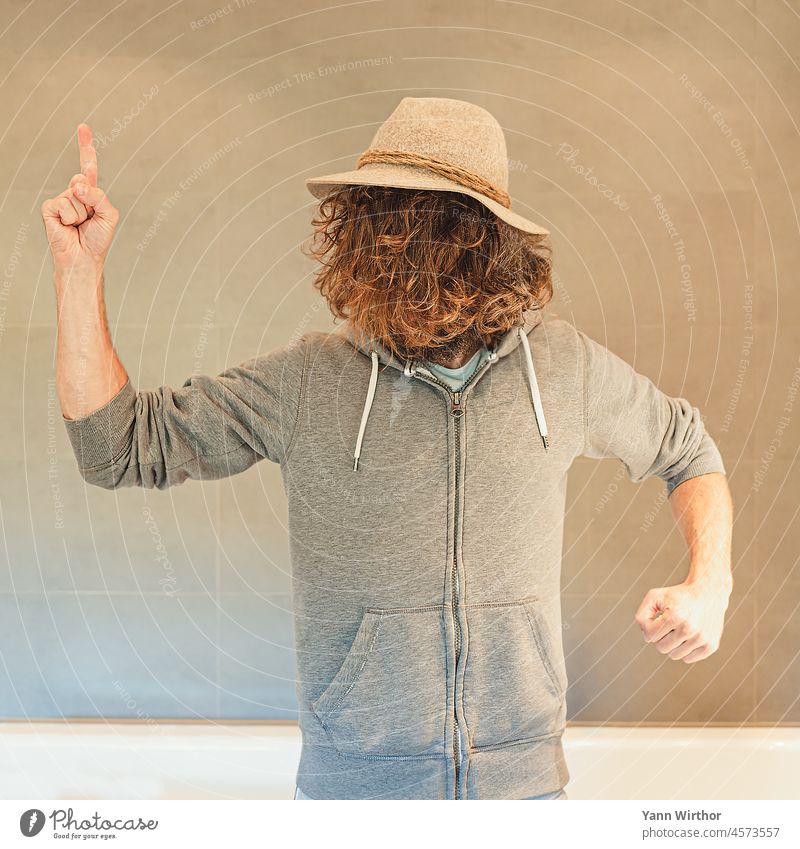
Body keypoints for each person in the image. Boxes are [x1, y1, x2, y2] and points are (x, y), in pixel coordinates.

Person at [41, 97, 733, 801]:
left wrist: (711, 582)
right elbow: (117, 445)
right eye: (386, 225)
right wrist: (78, 271)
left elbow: (688, 449)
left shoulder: (562, 368)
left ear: (488, 243)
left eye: (432, 227)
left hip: (524, 799)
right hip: (354, 804)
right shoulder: (308, 380)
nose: (404, 252)